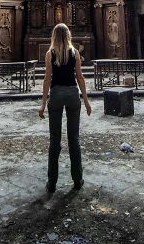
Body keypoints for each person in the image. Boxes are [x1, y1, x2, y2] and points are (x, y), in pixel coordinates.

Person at [38, 23, 92, 193]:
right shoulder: (75, 52)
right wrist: (86, 100)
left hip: (56, 93)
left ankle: (52, 182)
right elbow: (80, 77)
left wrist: (43, 103)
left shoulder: (49, 53)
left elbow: (47, 79)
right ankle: (77, 179)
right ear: (68, 35)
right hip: (72, 94)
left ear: (53, 36)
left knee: (54, 140)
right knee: (74, 139)